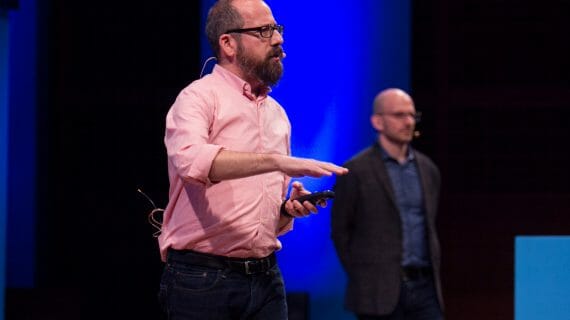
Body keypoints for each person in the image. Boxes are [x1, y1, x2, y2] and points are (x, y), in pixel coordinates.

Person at [157, 0, 348, 319]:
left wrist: (287, 210)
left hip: (266, 279)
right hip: (203, 280)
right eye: (263, 30)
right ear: (228, 43)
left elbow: (265, 218)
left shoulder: (277, 115)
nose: (278, 39)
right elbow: (193, 163)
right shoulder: (197, 98)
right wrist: (275, 161)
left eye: (276, 29)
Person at [331, 88, 444, 320]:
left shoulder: (428, 169)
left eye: (413, 115)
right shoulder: (356, 171)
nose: (409, 122)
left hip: (425, 288)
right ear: (378, 121)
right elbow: (341, 231)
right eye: (400, 115)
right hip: (377, 292)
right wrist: (363, 275)